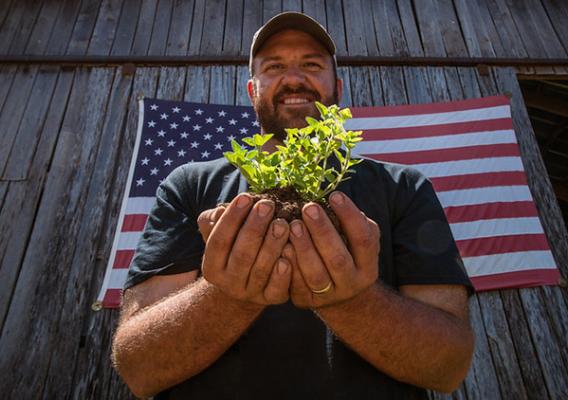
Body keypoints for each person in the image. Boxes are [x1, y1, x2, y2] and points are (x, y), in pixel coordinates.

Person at [112, 12, 475, 400]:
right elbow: (138, 369)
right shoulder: (189, 184)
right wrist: (227, 297)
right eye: (275, 67)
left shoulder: (403, 187)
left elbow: (449, 367)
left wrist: (354, 302)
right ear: (252, 90)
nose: (294, 78)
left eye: (311, 65)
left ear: (336, 87)